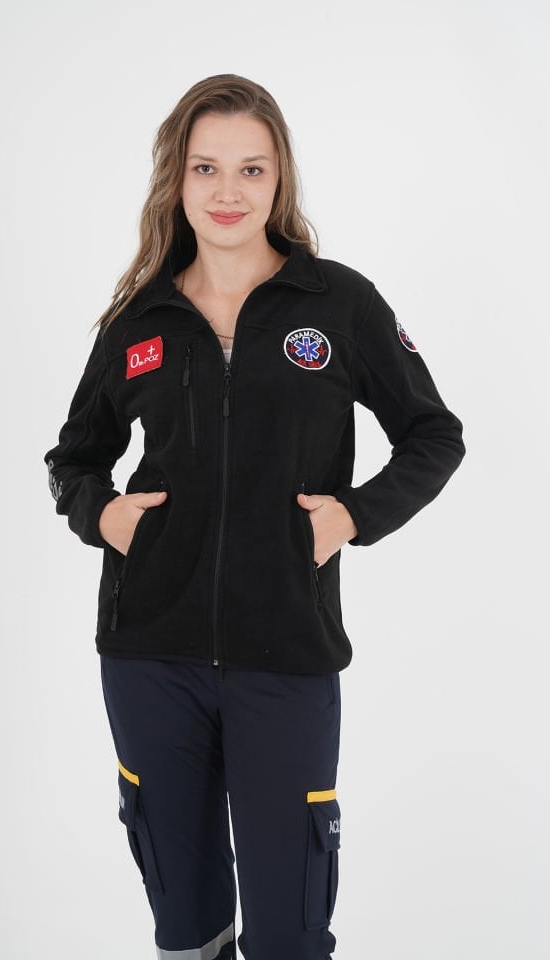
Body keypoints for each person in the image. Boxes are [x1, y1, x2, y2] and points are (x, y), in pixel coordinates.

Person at [43, 74, 465, 960]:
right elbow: (73, 457)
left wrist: (352, 516)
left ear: (280, 180)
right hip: (150, 656)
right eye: (206, 167)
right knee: (186, 926)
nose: (227, 191)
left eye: (251, 169)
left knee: (289, 931)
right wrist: (103, 516)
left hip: (287, 657)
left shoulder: (339, 304)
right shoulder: (140, 318)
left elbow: (434, 435)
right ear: (177, 178)